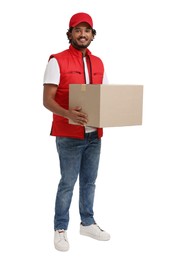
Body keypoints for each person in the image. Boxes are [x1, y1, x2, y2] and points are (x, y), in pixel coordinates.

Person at [43, 12, 110, 252]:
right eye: (77, 30)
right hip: (69, 134)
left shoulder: (100, 62)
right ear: (70, 34)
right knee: (68, 182)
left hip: (94, 135)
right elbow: (47, 100)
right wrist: (69, 114)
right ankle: (60, 228)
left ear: (93, 35)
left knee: (90, 182)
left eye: (87, 30)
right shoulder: (57, 61)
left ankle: (87, 223)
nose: (83, 34)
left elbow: (105, 96)